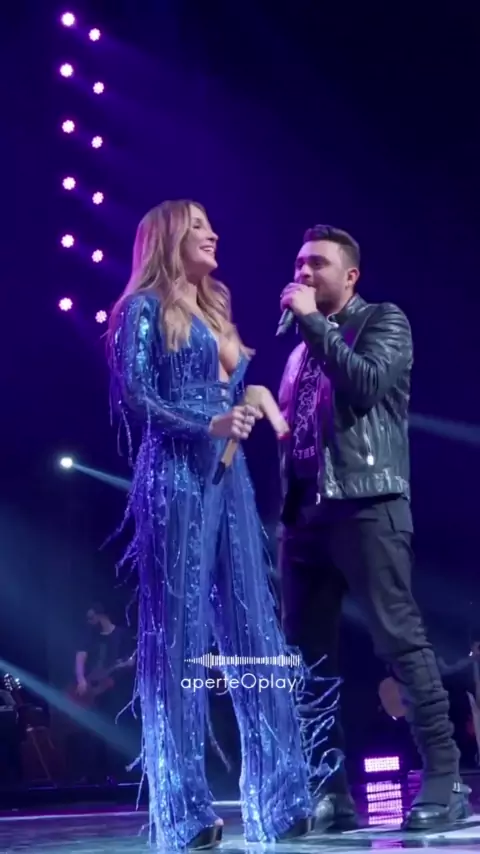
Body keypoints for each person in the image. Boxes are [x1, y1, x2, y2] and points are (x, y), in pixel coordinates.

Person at [107, 200, 326, 850]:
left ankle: (283, 797)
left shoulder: (214, 306)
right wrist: (208, 422)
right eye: (199, 227)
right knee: (179, 638)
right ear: (170, 237)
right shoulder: (142, 309)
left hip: (229, 477)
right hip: (176, 476)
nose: (213, 234)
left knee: (254, 629)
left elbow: (228, 395)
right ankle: (184, 812)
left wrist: (250, 397)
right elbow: (137, 397)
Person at [277, 223, 472, 832]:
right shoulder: (299, 352)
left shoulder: (383, 321)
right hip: (305, 517)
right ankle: (329, 791)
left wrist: (314, 322)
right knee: (307, 659)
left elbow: (363, 386)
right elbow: (300, 436)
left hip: (368, 503)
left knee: (400, 643)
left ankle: (445, 780)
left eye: (318, 263)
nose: (303, 272)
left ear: (350, 275)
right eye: (299, 263)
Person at [74, 602, 136, 782]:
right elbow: (80, 656)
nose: (89, 621)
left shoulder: (122, 635)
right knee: (94, 732)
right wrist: (81, 679)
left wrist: (109, 682)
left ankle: (120, 773)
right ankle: (95, 774)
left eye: (91, 617)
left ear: (101, 616)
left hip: (116, 692)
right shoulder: (91, 636)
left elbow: (130, 663)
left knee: (116, 730)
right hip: (94, 691)